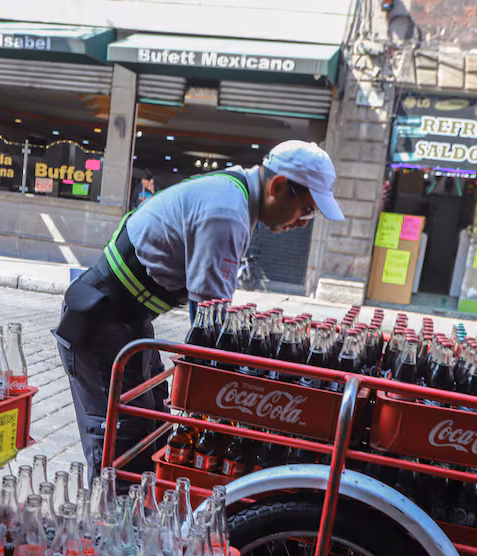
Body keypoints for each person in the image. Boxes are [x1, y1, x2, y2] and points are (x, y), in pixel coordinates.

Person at [55, 140, 344, 476]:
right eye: (307, 210)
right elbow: (210, 322)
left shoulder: (235, 195)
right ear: (278, 186)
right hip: (100, 322)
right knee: (123, 446)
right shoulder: (227, 212)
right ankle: (112, 510)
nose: (304, 223)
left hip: (129, 321)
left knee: (152, 429)